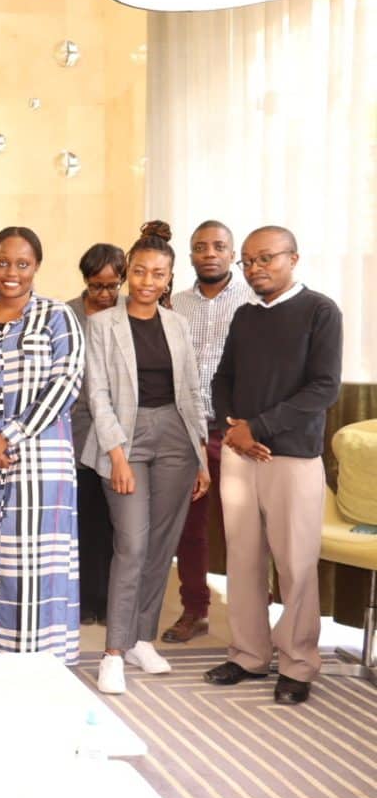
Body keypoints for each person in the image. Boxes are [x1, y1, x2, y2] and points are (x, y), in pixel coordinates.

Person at [204, 226, 342, 706]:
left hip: (292, 457)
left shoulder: (320, 311)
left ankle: (298, 663)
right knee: (242, 560)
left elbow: (324, 388)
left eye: (266, 258)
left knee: (295, 564)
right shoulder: (244, 316)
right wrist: (234, 427)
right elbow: (223, 379)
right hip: (241, 454)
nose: (255, 267)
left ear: (293, 258)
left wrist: (257, 428)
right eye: (248, 260)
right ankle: (247, 655)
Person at [82, 222, 211, 695]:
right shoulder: (101, 324)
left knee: (161, 546)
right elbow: (97, 394)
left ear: (169, 277)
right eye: (139, 271)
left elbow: (192, 393)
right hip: (126, 438)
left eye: (158, 274)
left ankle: (141, 638)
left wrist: (201, 456)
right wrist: (116, 455)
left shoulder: (177, 324)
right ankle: (113, 652)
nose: (148, 281)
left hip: (177, 437)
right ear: (126, 274)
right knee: (132, 545)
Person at [0, 226, 83, 663]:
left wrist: (6, 437)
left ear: (37, 267)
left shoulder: (58, 316)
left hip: (40, 465)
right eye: (4, 262)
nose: (12, 272)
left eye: (22, 264)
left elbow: (66, 382)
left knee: (33, 568)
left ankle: (34, 664)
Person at [165, 220, 254, 643]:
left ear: (232, 253)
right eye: (201, 247)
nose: (210, 253)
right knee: (190, 529)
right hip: (186, 432)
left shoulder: (254, 300)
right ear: (191, 255)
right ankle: (194, 610)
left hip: (234, 432)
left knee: (244, 530)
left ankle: (250, 620)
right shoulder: (175, 304)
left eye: (219, 246)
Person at [66, 243, 126, 625]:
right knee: (83, 520)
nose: (104, 295)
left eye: (112, 285)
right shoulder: (67, 313)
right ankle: (84, 599)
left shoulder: (130, 313)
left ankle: (108, 601)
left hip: (117, 430)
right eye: (96, 286)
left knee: (113, 523)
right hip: (75, 430)